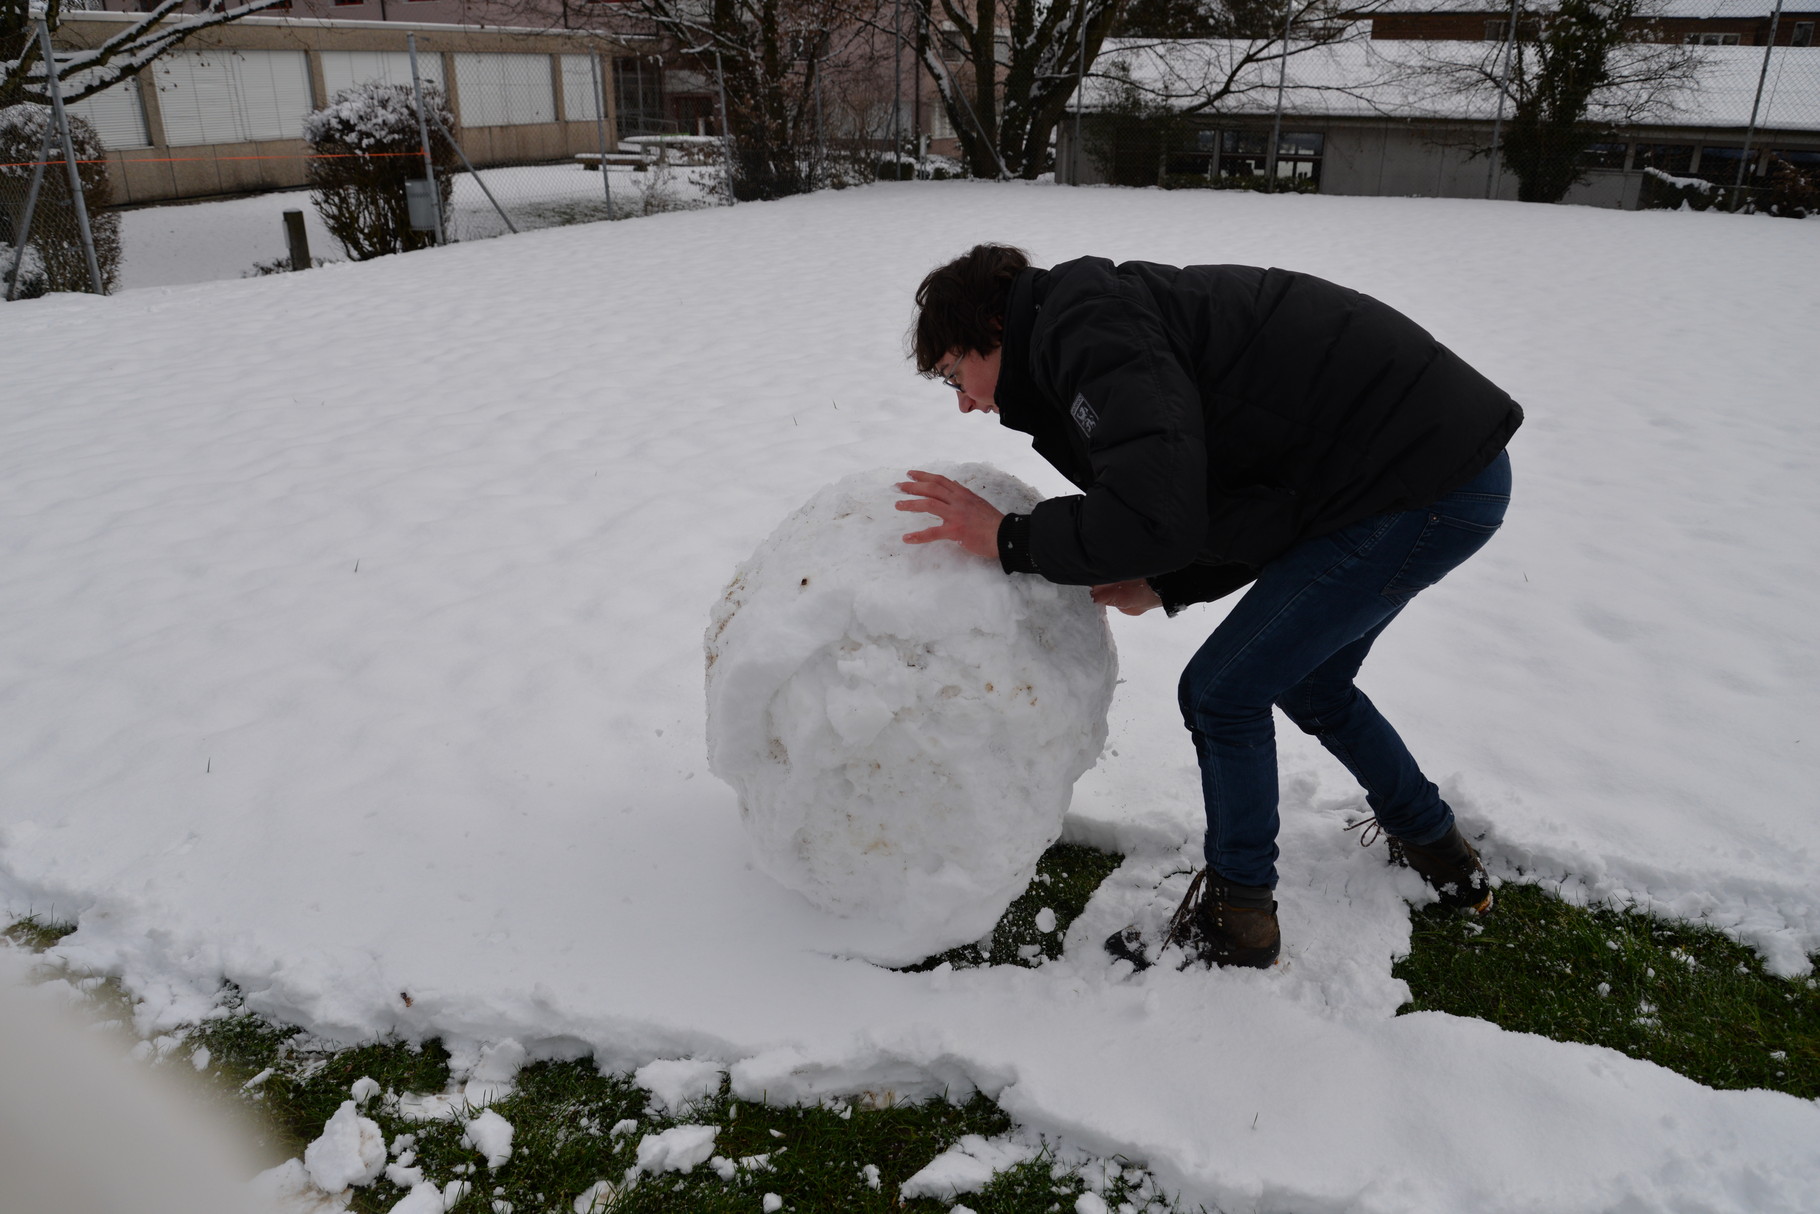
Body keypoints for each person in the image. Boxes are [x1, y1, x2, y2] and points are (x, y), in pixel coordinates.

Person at [896, 244, 1521, 970]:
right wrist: (1166, 582)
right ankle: (1437, 845)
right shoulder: (1088, 327)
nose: (966, 402)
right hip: (1411, 474)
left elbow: (1160, 511)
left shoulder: (1087, 330)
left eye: (952, 375)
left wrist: (1007, 537)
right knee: (1306, 678)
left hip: (1421, 481)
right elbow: (1242, 496)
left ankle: (1239, 917)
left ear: (993, 325)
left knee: (1224, 691)